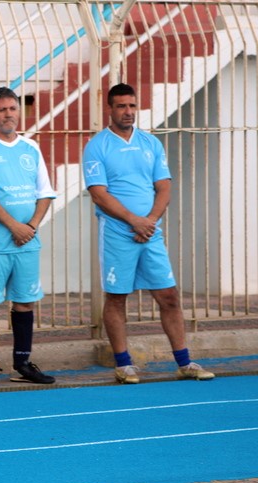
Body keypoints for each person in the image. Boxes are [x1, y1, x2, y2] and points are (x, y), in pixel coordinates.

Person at [82, 83, 215, 384]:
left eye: (132, 105)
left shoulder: (151, 143)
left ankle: (185, 362)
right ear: (110, 109)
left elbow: (164, 187)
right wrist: (133, 221)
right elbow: (98, 194)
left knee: (169, 296)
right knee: (117, 297)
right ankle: (124, 365)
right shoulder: (97, 146)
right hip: (117, 232)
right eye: (121, 106)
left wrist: (150, 221)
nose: (128, 112)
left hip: (150, 232)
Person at [0, 87, 58, 387]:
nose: (8, 114)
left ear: (20, 111)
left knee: (25, 303)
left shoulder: (30, 147)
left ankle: (22, 363)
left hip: (27, 240)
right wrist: (14, 227)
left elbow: (45, 192)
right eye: (2, 109)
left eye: (13, 109)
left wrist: (30, 226)